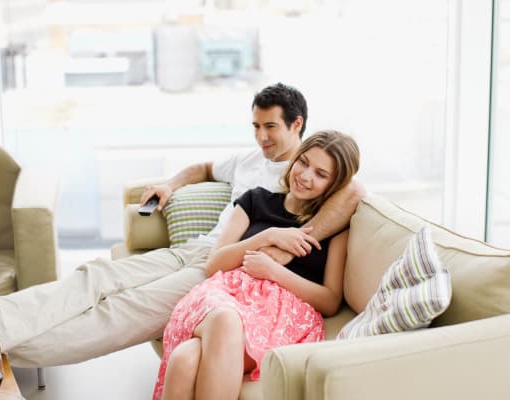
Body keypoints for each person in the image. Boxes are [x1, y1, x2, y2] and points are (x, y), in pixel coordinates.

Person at [0, 83, 364, 367]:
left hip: (223, 273)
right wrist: (170, 184)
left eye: (271, 127)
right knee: (97, 275)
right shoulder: (251, 165)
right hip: (198, 248)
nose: (262, 136)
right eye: (256, 127)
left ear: (297, 125)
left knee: (123, 310)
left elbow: (354, 192)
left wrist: (280, 245)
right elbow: (202, 169)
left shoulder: (321, 179)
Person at [153, 131, 360, 400]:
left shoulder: (333, 227)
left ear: (335, 184)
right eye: (304, 162)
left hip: (281, 315)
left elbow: (331, 301)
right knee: (224, 320)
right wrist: (268, 236)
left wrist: (274, 271)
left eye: (321, 174)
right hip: (225, 295)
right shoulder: (256, 201)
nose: (306, 176)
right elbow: (215, 263)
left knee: (185, 359)